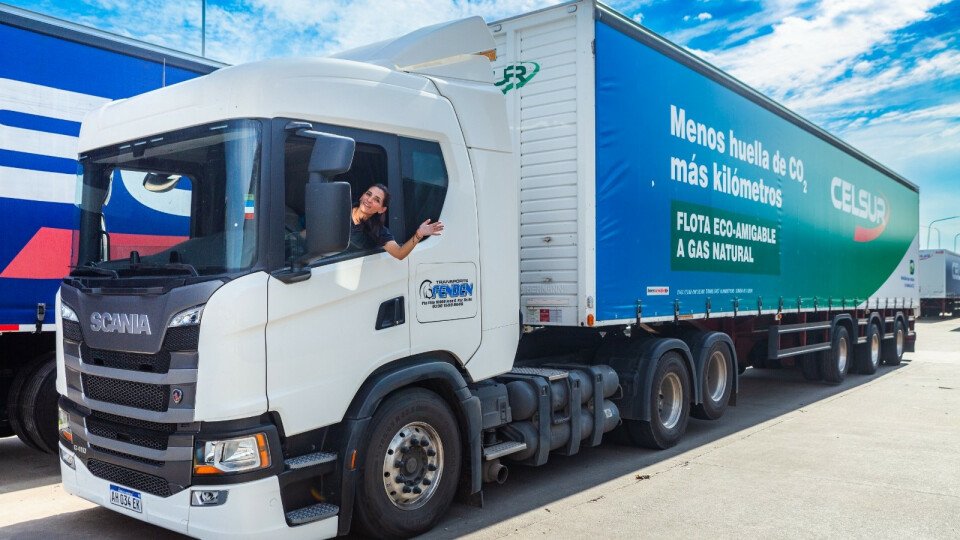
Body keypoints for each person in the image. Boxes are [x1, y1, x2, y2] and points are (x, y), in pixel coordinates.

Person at [350, 183, 443, 260]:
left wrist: (419, 234)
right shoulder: (343, 207)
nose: (369, 200)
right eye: (368, 194)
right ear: (362, 196)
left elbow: (399, 253)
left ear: (381, 210)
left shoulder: (378, 231)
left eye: (376, 200)